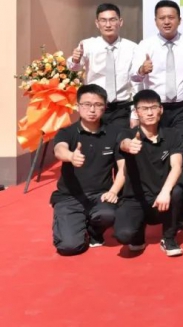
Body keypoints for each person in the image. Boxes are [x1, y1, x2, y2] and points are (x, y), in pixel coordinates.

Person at [130, 0, 183, 217]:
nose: (167, 21)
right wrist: (142, 70)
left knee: (180, 156)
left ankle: (179, 210)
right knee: (157, 155)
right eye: (162, 18)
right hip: (155, 110)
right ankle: (155, 199)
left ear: (179, 20)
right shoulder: (145, 45)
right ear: (155, 21)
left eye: (171, 17)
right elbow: (134, 78)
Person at [113, 90, 183, 257]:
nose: (149, 113)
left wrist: (165, 191)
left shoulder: (172, 134)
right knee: (124, 236)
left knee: (177, 191)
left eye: (153, 107)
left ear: (161, 109)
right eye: (144, 108)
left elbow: (177, 166)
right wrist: (129, 145)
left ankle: (168, 237)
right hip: (135, 199)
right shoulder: (127, 134)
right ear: (136, 112)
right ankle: (138, 232)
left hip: (161, 199)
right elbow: (124, 144)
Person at [50, 84, 123, 255]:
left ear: (105, 107)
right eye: (87, 104)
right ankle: (72, 226)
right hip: (70, 196)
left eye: (97, 105)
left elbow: (123, 168)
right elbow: (59, 149)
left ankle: (94, 231)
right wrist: (70, 156)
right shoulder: (67, 132)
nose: (92, 110)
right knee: (69, 247)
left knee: (108, 214)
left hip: (100, 195)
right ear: (78, 106)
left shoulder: (114, 132)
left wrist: (113, 191)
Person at [69, 4, 139, 128]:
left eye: (112, 20)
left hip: (121, 109)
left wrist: (135, 115)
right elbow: (74, 68)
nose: (108, 25)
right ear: (97, 23)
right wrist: (75, 60)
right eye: (103, 20)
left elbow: (136, 82)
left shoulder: (132, 48)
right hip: (94, 108)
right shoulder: (88, 45)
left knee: (121, 139)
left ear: (120, 22)